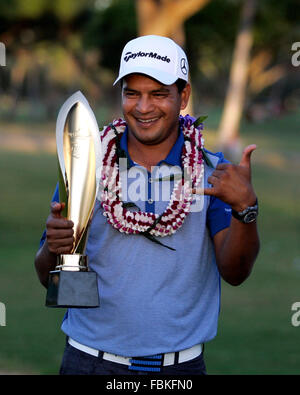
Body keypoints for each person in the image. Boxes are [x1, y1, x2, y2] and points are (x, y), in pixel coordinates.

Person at [34, 35, 260, 375]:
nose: (143, 107)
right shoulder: (88, 164)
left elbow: (236, 272)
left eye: (158, 94)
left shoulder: (210, 172)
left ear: (183, 96)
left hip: (178, 369)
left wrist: (246, 209)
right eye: (132, 93)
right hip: (90, 361)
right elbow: (46, 275)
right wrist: (55, 249)